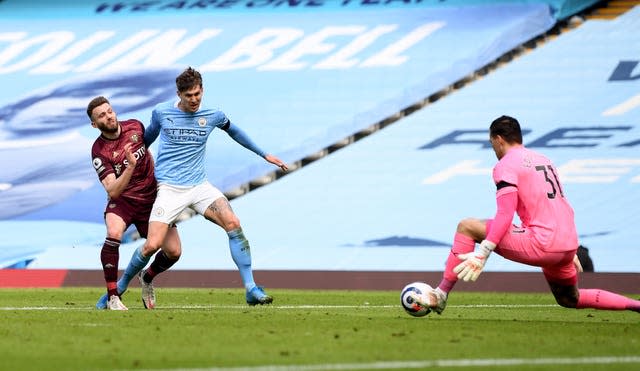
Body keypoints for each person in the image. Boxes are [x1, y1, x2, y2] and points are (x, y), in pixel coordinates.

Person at [412, 115, 640, 314]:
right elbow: (559, 203)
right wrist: (570, 249)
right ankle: (635, 305)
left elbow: (505, 214)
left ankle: (440, 294)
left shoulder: (506, 165)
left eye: (492, 144)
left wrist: (483, 252)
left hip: (543, 243)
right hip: (568, 244)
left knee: (467, 226)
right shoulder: (544, 161)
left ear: (498, 139)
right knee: (570, 298)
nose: (493, 150)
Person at [142, 67, 288, 306]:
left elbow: (236, 132)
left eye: (198, 94)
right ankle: (120, 289)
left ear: (202, 90)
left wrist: (264, 154)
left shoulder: (213, 115)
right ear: (178, 94)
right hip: (169, 188)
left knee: (233, 223)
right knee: (161, 249)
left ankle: (251, 288)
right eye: (188, 95)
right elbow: (146, 140)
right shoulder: (161, 113)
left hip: (199, 185)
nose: (194, 99)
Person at [89, 96, 182, 310]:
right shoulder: (99, 151)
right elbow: (113, 191)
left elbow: (148, 140)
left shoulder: (135, 126)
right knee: (113, 232)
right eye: (101, 115)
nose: (108, 116)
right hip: (123, 202)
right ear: (95, 124)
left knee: (174, 252)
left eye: (109, 111)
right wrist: (130, 167)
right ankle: (113, 296)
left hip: (152, 199)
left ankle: (147, 277)